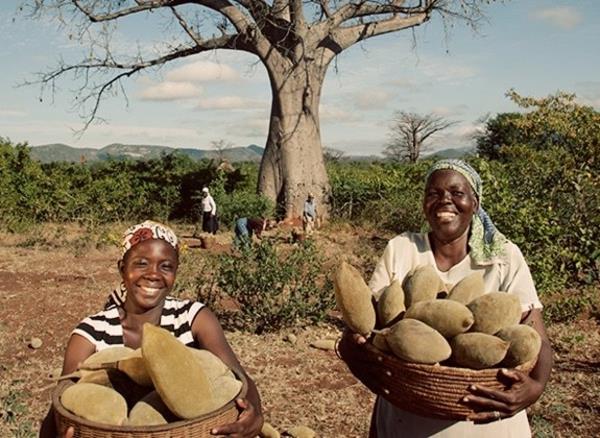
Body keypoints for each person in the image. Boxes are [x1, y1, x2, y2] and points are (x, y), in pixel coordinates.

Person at [356, 159, 553, 437]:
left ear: (475, 203)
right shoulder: (402, 249)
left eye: (457, 193)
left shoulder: (503, 256)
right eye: (433, 194)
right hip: (407, 417)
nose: (444, 200)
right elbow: (369, 328)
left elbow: (536, 337)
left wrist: (535, 387)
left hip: (487, 422)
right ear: (424, 203)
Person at [40, 220, 263, 438]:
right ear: (122, 268)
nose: (153, 274)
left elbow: (238, 376)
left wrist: (255, 416)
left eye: (165, 266)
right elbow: (62, 403)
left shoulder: (192, 317)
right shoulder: (92, 332)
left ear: (176, 272)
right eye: (141, 263)